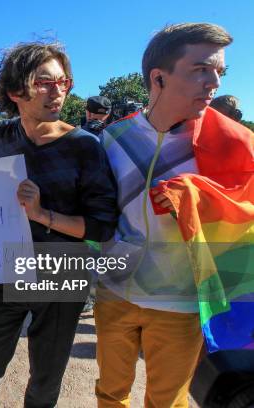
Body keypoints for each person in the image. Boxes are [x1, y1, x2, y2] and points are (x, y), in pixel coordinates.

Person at [0, 42, 118, 408]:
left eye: (63, 82)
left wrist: (42, 215)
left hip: (64, 268)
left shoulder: (84, 146)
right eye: (45, 82)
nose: (59, 91)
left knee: (45, 381)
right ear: (16, 91)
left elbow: (102, 227)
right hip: (10, 265)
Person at [96, 23, 234, 407]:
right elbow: (94, 212)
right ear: (158, 77)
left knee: (167, 403)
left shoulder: (229, 143)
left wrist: (202, 202)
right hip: (114, 293)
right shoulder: (113, 138)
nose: (214, 82)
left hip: (181, 302)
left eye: (219, 72)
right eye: (201, 69)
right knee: (110, 394)